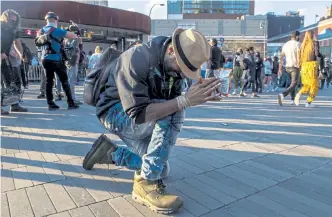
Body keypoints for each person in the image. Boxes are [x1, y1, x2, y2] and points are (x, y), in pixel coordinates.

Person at [82, 28, 220, 214]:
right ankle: (145, 184)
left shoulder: (173, 69)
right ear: (171, 51)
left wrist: (196, 95)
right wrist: (184, 100)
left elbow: (167, 102)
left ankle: (109, 153)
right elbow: (138, 113)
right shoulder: (137, 58)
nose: (183, 74)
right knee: (176, 112)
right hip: (114, 113)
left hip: (143, 115)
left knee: (161, 169)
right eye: (183, 68)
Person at [38, 12, 79, 110]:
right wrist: (68, 30)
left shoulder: (40, 31)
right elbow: (74, 36)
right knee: (65, 81)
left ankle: (51, 104)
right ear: (55, 20)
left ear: (46, 20)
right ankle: (70, 103)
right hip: (56, 59)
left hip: (44, 59)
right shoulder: (57, 30)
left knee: (49, 82)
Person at [1, 9, 28, 115]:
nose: (13, 21)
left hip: (5, 59)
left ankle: (14, 105)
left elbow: (17, 43)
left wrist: (21, 54)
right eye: (10, 19)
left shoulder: (14, 30)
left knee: (11, 83)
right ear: (5, 18)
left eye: (15, 20)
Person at [294, 30, 321, 107]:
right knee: (314, 85)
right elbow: (317, 54)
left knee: (307, 85)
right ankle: (308, 102)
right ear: (312, 35)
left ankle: (298, 94)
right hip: (312, 66)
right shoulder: (313, 43)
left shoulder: (303, 46)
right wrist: (317, 42)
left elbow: (299, 57)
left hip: (304, 66)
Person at [278, 31, 301, 106]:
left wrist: (280, 68)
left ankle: (292, 99)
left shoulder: (285, 44)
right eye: (299, 36)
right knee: (294, 83)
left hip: (287, 66)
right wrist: (299, 65)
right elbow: (298, 55)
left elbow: (281, 57)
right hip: (295, 66)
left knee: (291, 84)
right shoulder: (298, 44)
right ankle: (283, 95)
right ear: (297, 36)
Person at [64, 25, 83, 105]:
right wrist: (80, 42)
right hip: (73, 61)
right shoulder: (76, 38)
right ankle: (72, 98)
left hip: (67, 61)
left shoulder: (65, 39)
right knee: (72, 80)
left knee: (69, 80)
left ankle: (68, 96)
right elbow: (79, 49)